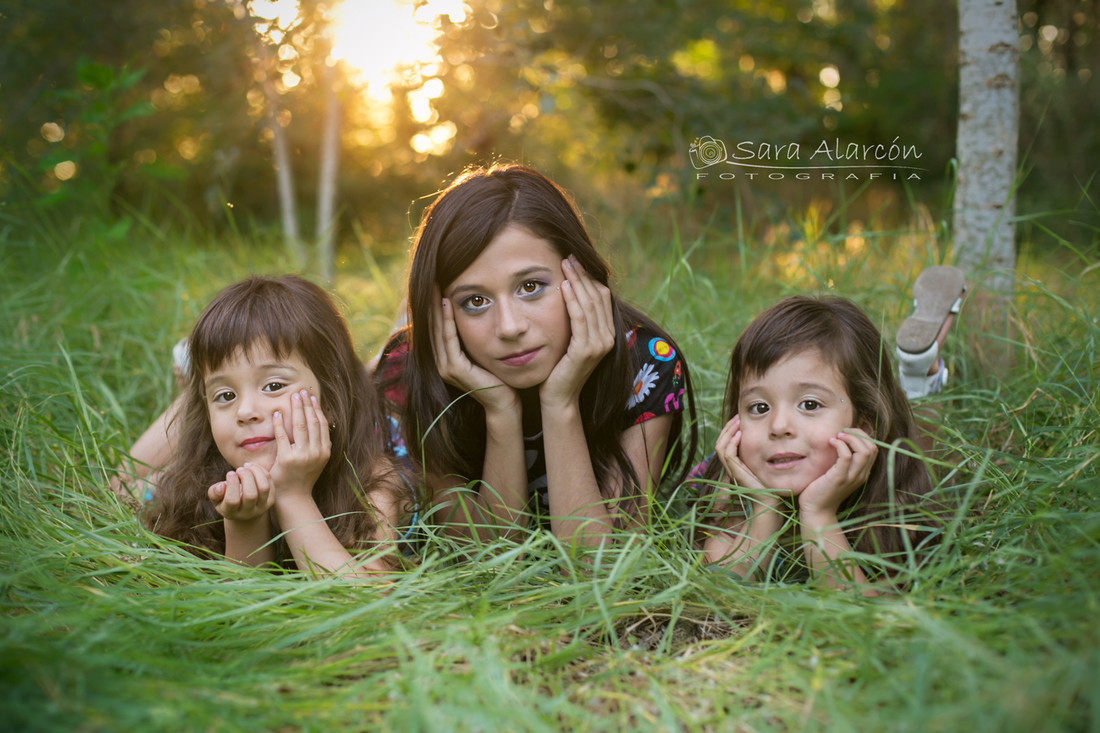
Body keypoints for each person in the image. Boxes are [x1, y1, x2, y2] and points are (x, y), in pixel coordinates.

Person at [376, 164, 697, 546]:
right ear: (442, 309)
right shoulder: (414, 370)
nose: (509, 327)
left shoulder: (645, 364)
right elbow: (483, 562)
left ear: (579, 277)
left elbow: (603, 565)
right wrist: (500, 412)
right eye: (475, 301)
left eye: (530, 286)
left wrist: (561, 403)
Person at [695, 278, 962, 591]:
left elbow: (867, 616)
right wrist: (764, 509)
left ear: (863, 424)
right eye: (759, 407)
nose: (779, 426)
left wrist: (818, 515)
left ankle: (919, 379)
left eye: (809, 404)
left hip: (893, 458)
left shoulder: (897, 504)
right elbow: (720, 597)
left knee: (924, 451)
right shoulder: (728, 491)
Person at [137, 275, 411, 578]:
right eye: (226, 395)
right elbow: (245, 607)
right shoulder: (204, 481)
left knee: (375, 380)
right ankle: (199, 381)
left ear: (330, 401)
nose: (245, 411)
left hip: (375, 418)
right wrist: (245, 524)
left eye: (273, 385)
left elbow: (368, 594)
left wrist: (293, 495)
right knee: (127, 484)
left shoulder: (375, 479)